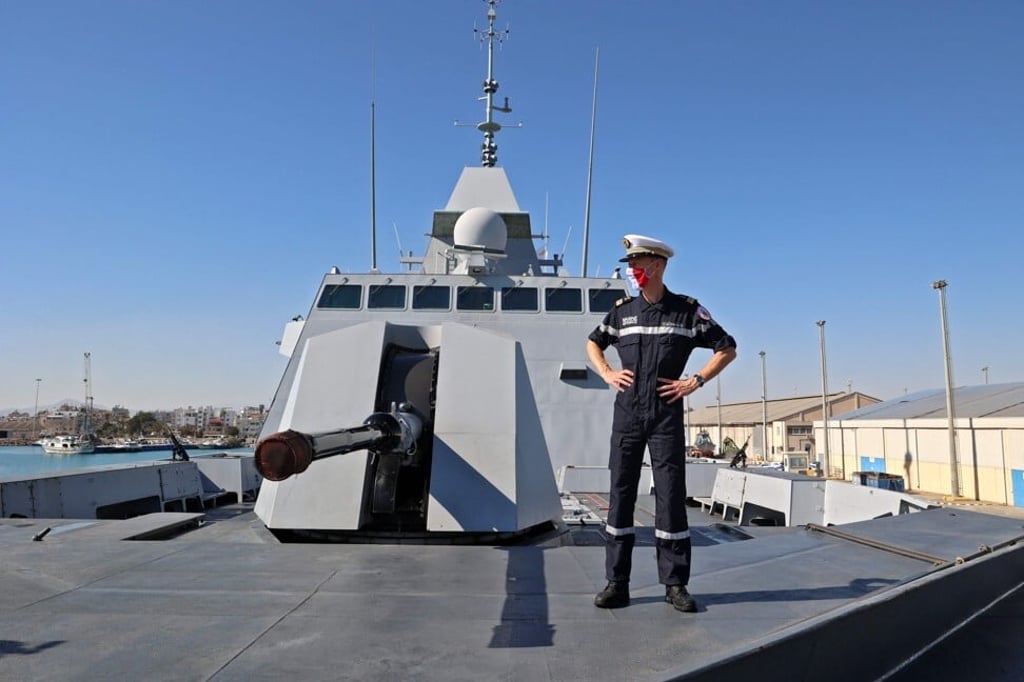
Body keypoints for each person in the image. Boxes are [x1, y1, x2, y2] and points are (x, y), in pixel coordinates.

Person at [586, 234, 737, 613]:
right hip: (627, 415)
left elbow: (727, 347)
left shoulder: (687, 312)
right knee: (620, 493)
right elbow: (593, 342)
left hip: (666, 415)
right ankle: (616, 582)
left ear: (659, 265)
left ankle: (675, 584)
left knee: (670, 496)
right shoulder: (622, 312)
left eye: (639, 263)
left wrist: (695, 381)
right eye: (630, 264)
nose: (633, 270)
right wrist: (606, 372)